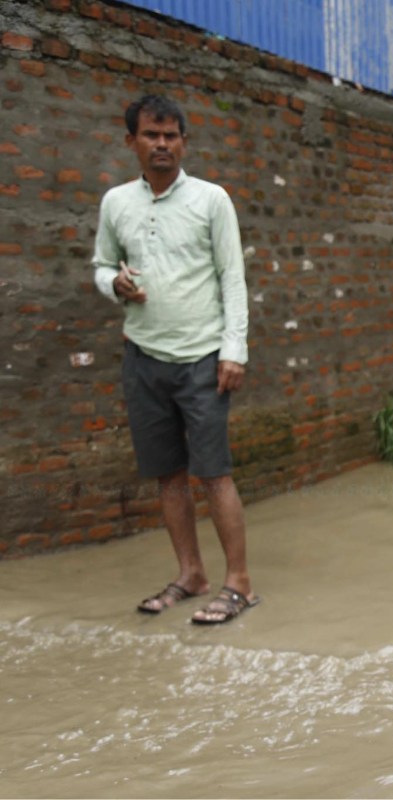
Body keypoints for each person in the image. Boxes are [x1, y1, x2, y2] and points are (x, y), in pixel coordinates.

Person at [92, 94, 258, 625]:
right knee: (167, 474)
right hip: (143, 356)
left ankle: (238, 583)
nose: (161, 144)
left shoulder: (211, 199)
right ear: (132, 142)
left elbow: (232, 277)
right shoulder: (117, 203)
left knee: (214, 473)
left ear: (184, 141)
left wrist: (234, 350)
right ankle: (191, 574)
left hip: (203, 359)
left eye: (170, 135)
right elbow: (100, 264)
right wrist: (113, 283)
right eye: (150, 135)